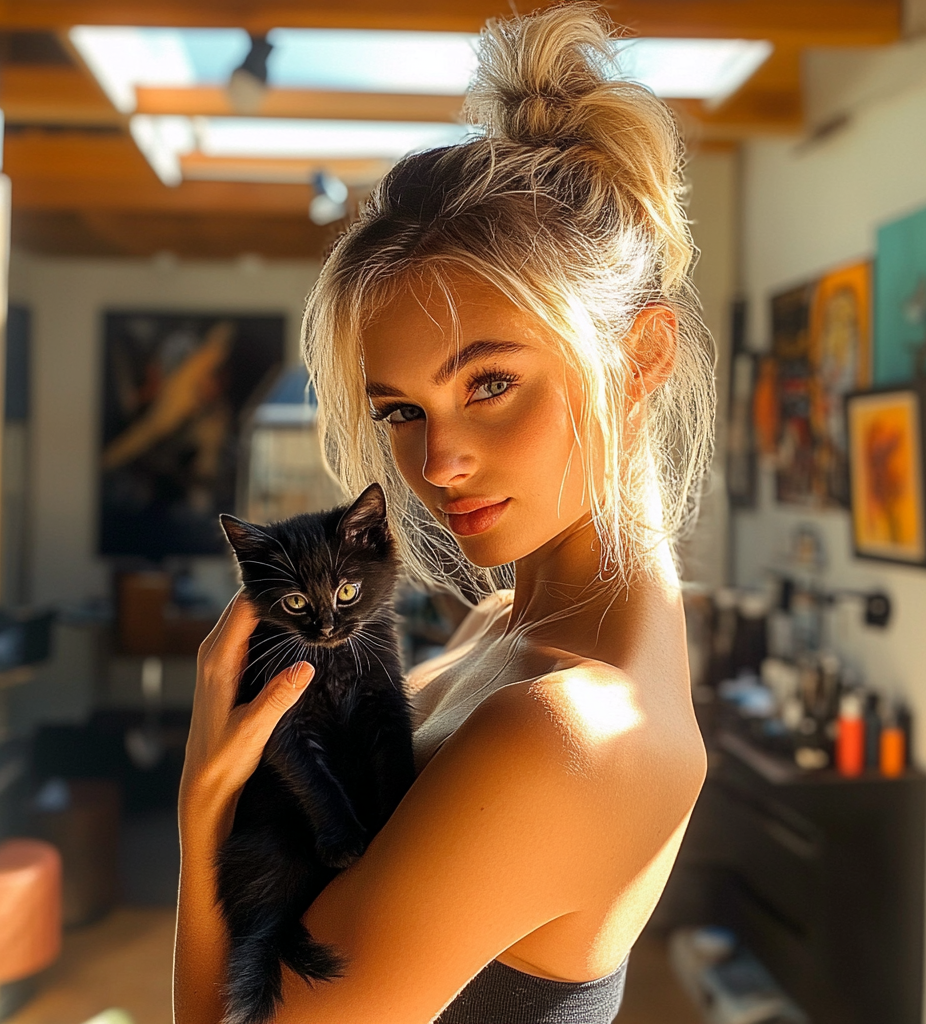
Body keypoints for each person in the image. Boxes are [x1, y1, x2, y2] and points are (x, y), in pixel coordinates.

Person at [174, 4, 716, 1022]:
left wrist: (205, 809)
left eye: (491, 384)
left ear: (639, 361)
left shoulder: (568, 732)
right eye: (400, 410)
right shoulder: (496, 631)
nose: (437, 460)